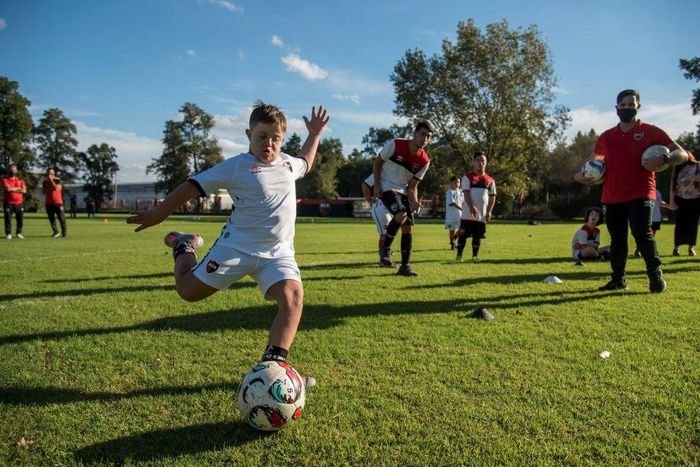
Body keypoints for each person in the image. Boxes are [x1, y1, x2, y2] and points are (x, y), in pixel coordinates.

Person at [127, 102, 329, 368]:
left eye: (275, 139)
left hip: (277, 254)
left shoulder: (288, 165)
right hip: (236, 248)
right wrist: (161, 212)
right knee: (188, 291)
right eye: (261, 137)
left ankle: (272, 371)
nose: (269, 144)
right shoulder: (236, 167)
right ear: (248, 135)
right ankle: (183, 245)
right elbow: (192, 186)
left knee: (293, 297)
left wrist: (314, 135)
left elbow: (306, 161)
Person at [575, 89, 688, 293]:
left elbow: (682, 154)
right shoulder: (607, 137)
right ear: (616, 108)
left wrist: (666, 158)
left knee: (642, 234)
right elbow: (592, 160)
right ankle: (618, 279)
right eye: (623, 105)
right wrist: (579, 176)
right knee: (617, 239)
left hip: (641, 193)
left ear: (638, 107)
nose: (627, 108)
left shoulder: (652, 132)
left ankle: (655, 276)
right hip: (611, 196)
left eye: (631, 104)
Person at [373, 119, 434, 276]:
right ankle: (385, 251)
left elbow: (412, 186)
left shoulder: (424, 161)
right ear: (414, 134)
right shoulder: (395, 144)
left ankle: (404, 267)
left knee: (408, 227)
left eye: (429, 137)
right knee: (400, 215)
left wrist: (415, 202)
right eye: (422, 135)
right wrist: (378, 185)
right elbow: (378, 163)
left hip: (402, 192)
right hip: (386, 187)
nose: (425, 139)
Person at [456, 152, 496, 262]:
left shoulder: (490, 180)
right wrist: (470, 206)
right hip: (467, 214)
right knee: (463, 235)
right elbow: (466, 193)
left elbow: (492, 197)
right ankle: (459, 256)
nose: (480, 163)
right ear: (474, 162)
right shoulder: (467, 177)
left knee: (477, 236)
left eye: (483, 161)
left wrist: (489, 212)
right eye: (478, 160)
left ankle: (474, 256)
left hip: (481, 215)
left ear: (486, 163)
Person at [669, 152, 700, 256]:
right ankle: (676, 248)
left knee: (693, 225)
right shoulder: (677, 169)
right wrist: (672, 202)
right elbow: (672, 187)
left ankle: (691, 248)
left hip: (695, 199)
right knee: (679, 224)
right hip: (680, 199)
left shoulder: (697, 166)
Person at [361, 173, 394, 266]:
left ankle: (386, 256)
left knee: (389, 233)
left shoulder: (399, 172)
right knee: (385, 233)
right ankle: (384, 259)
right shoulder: (382, 172)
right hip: (381, 208)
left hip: (391, 209)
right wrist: (369, 200)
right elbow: (365, 184)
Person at [633, 189, 668, 257]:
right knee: (642, 233)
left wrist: (669, 205)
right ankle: (639, 248)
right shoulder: (640, 191)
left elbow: (660, 202)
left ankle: (650, 249)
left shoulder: (657, 192)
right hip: (644, 216)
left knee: (652, 234)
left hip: (655, 217)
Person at [2, 164, 26, 240]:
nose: (13, 171)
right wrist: (19, 188)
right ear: (8, 170)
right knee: (8, 219)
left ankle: (19, 233)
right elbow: (8, 189)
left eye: (14, 170)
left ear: (16, 171)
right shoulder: (4, 179)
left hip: (19, 203)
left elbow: (24, 191)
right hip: (8, 203)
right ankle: (8, 234)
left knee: (20, 219)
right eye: (11, 170)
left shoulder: (20, 180)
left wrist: (14, 189)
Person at [42, 167, 67, 237]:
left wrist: (51, 181)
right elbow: (44, 191)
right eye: (49, 173)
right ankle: (55, 232)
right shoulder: (44, 182)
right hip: (49, 203)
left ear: (54, 173)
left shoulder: (59, 180)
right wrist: (51, 188)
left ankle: (64, 232)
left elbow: (56, 188)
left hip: (58, 203)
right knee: (52, 219)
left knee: (61, 218)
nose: (50, 174)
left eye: (51, 173)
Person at [444, 176, 463, 250]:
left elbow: (464, 202)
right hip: (451, 215)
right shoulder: (450, 192)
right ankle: (452, 244)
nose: (457, 183)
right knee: (452, 230)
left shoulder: (461, 192)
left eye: (458, 182)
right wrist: (461, 208)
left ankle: (453, 240)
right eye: (455, 182)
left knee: (462, 228)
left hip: (460, 215)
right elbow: (452, 203)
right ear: (451, 183)